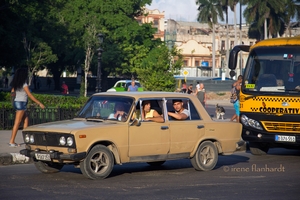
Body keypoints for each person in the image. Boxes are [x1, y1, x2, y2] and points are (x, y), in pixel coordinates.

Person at [9, 68, 45, 147]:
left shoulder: (16, 83)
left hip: (17, 102)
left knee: (26, 121)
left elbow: (12, 92)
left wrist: (15, 99)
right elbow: (30, 95)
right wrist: (39, 103)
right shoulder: (24, 84)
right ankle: (12, 142)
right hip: (21, 103)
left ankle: (27, 140)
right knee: (17, 123)